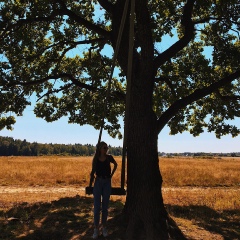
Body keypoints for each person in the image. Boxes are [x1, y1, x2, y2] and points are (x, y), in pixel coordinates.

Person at [89, 141, 118, 239]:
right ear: (100, 148)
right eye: (104, 148)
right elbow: (93, 171)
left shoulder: (109, 157)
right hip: (98, 182)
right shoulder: (96, 158)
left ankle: (104, 227)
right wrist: (91, 179)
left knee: (105, 207)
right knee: (97, 207)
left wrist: (111, 175)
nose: (106, 149)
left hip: (107, 182)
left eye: (107, 148)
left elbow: (116, 165)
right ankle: (96, 228)